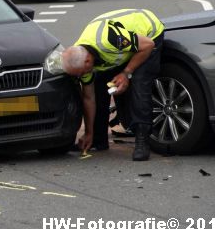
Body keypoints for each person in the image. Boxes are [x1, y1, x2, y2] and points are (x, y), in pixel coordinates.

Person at [62, 9, 164, 161]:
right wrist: (89, 132)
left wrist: (126, 73)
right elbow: (89, 98)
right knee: (98, 85)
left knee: (139, 82)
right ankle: (97, 139)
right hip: (121, 49)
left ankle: (142, 140)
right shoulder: (80, 56)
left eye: (81, 73)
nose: (81, 76)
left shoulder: (111, 39)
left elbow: (148, 45)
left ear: (88, 62)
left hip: (149, 33)